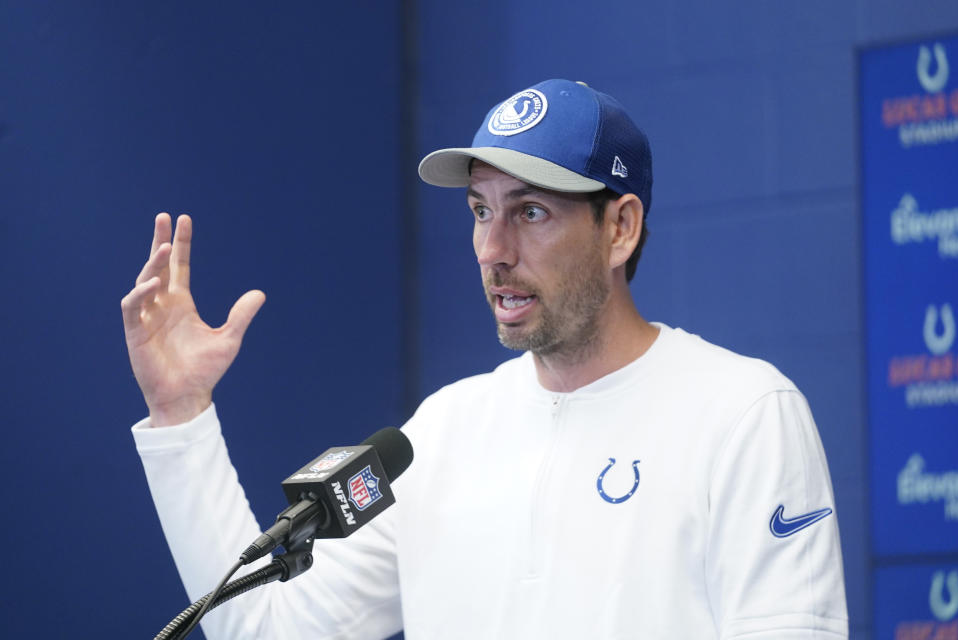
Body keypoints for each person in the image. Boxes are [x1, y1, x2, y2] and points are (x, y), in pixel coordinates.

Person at [124, 79, 848, 639]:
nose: (493, 250)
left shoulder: (742, 414)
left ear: (620, 227)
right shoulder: (442, 433)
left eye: (530, 212)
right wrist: (180, 416)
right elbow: (267, 627)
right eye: (480, 210)